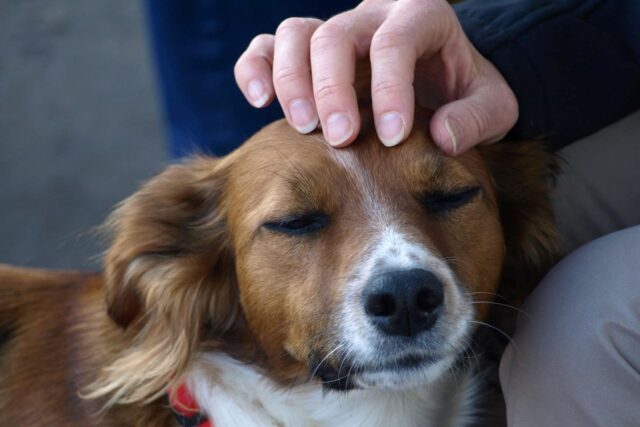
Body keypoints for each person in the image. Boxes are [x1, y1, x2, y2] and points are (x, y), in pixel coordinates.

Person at [148, 0, 640, 425]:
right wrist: (496, 54)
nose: (400, 275)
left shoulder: (511, 201)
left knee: (584, 322)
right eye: (298, 222)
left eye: (447, 197)